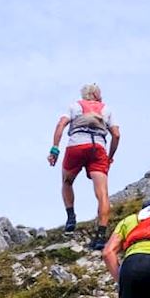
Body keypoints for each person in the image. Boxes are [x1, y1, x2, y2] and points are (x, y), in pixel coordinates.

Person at [48, 84, 121, 249]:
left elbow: (61, 125)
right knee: (102, 194)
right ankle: (101, 236)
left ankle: (71, 217)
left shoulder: (75, 106)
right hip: (99, 148)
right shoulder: (107, 109)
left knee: (67, 182)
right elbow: (116, 134)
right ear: (95, 94)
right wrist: (110, 157)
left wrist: (55, 148)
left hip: (76, 145)